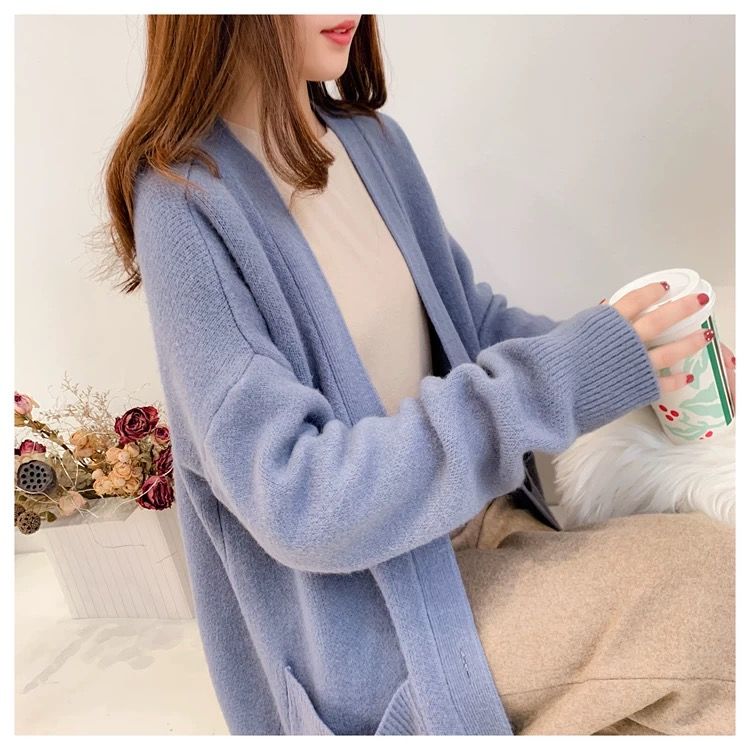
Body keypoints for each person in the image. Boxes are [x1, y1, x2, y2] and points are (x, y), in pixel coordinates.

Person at [101, 15, 735, 735]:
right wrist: (566, 374)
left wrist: (630, 354)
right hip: (377, 626)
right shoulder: (185, 202)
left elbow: (470, 322)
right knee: (716, 592)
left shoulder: (371, 143)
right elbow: (297, 500)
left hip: (486, 525)